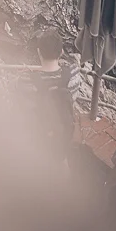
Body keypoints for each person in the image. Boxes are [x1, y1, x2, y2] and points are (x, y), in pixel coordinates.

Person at [24, 29, 80, 161]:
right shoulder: (74, 75)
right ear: (61, 52)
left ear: (38, 52)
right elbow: (74, 66)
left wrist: (30, 72)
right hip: (62, 139)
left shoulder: (25, 81)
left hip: (36, 140)